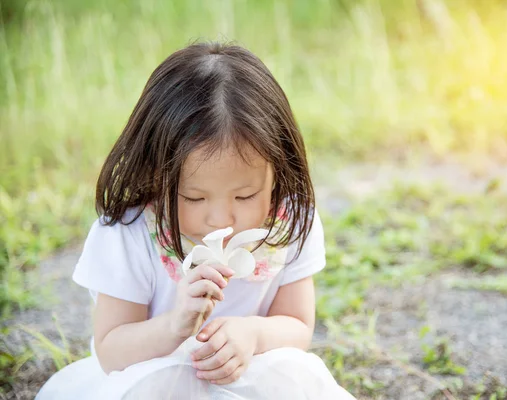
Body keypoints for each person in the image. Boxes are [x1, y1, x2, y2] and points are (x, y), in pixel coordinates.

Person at [36, 42, 356, 399]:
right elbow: (111, 350)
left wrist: (253, 334)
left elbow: (297, 324)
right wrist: (175, 326)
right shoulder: (133, 234)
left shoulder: (286, 224)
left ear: (279, 171)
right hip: (152, 382)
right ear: (154, 175)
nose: (221, 219)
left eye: (246, 195)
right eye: (193, 197)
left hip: (253, 377)